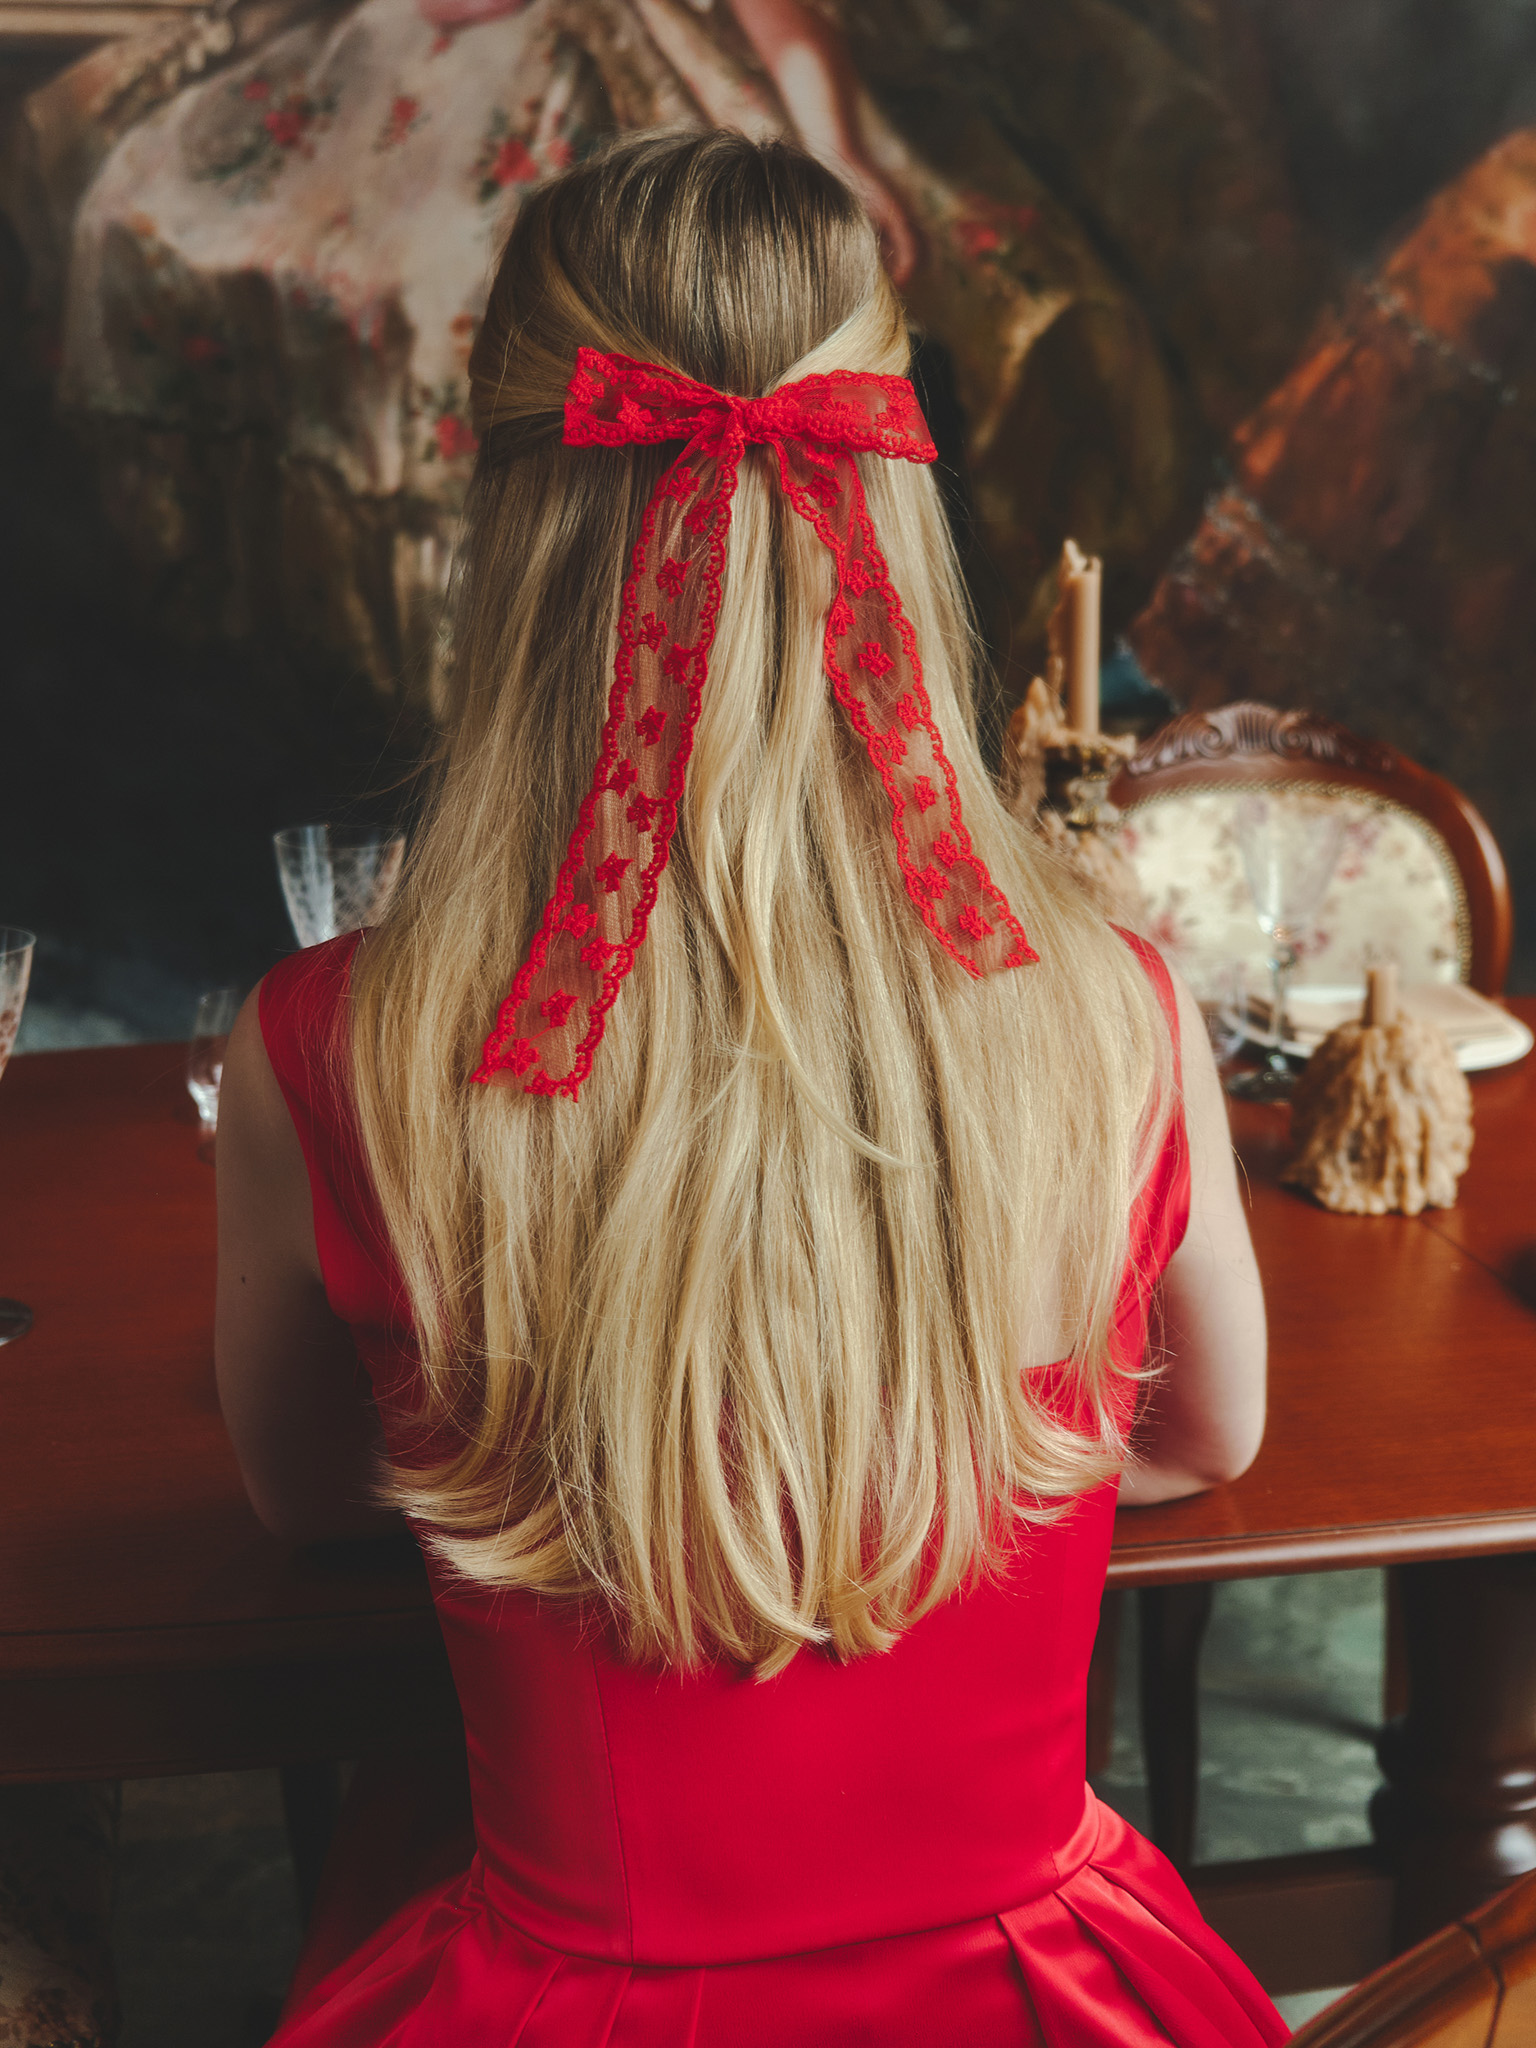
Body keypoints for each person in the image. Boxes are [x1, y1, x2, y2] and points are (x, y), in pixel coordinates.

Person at [216, 130, 1281, 2046]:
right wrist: (895, 1451)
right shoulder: (1114, 1013)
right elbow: (1209, 1441)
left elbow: (308, 1502)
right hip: (1047, 1995)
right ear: (888, 483)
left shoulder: (332, 1052)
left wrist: (655, 1459)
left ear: (516, 514)